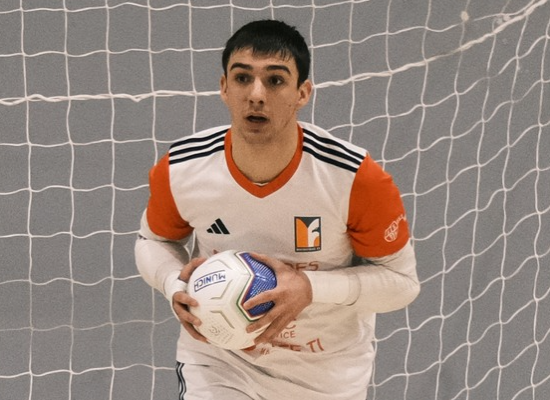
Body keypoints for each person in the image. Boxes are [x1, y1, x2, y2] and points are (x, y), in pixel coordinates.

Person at [135, 19, 420, 400]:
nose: (256, 94)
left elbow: (401, 284)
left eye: (275, 80)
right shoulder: (182, 167)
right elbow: (152, 241)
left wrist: (309, 287)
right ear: (224, 87)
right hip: (220, 362)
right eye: (242, 78)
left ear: (302, 93)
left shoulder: (354, 179)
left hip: (325, 373)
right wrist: (175, 283)